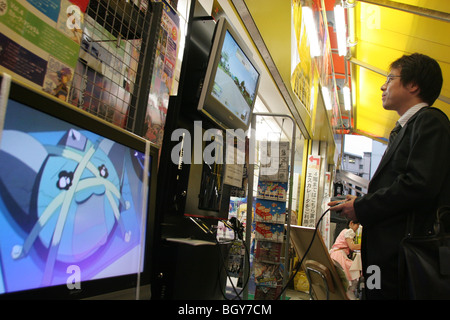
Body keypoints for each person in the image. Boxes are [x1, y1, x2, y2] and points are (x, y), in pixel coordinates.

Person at [328, 53, 450, 299]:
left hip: (403, 260)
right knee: (372, 293)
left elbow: (419, 185)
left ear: (413, 85)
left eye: (390, 78)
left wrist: (361, 206)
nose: (383, 86)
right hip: (384, 258)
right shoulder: (403, 129)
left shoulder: (430, 121)